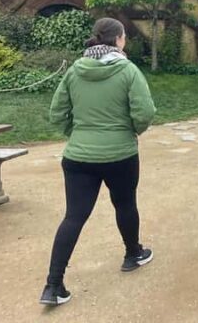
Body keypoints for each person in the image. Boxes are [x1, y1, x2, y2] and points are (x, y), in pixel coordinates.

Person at [41, 17, 156, 307]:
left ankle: (53, 285)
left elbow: (57, 113)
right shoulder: (128, 70)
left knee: (74, 216)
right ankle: (132, 254)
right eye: (124, 36)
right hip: (120, 154)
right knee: (125, 204)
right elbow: (145, 111)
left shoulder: (75, 71)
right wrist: (130, 131)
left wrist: (76, 133)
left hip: (78, 156)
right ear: (118, 39)